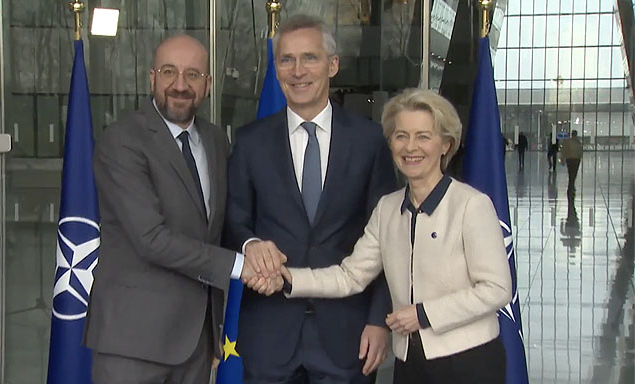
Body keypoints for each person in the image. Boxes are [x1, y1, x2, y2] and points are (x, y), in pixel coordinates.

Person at [251, 89, 512, 383]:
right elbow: (350, 276)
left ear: (445, 144)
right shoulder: (388, 208)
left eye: (423, 136)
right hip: (409, 362)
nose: (410, 147)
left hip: (469, 360)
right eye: (401, 136)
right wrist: (289, 279)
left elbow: (496, 288)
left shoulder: (471, 205)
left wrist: (424, 314)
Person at [225, 14, 397, 384]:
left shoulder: (369, 142)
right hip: (269, 333)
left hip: (348, 333)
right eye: (287, 59)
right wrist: (251, 243)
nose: (297, 70)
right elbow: (233, 221)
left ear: (332, 65)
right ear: (276, 68)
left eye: (310, 58)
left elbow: (389, 238)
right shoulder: (250, 142)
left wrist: (378, 320)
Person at [84, 35, 262, 384]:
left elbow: (218, 226)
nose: (180, 85)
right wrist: (242, 266)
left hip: (196, 342)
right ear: (152, 77)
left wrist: (256, 247)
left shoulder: (215, 141)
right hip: (133, 342)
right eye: (169, 72)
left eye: (193, 74)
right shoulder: (122, 140)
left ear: (208, 85)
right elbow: (150, 238)